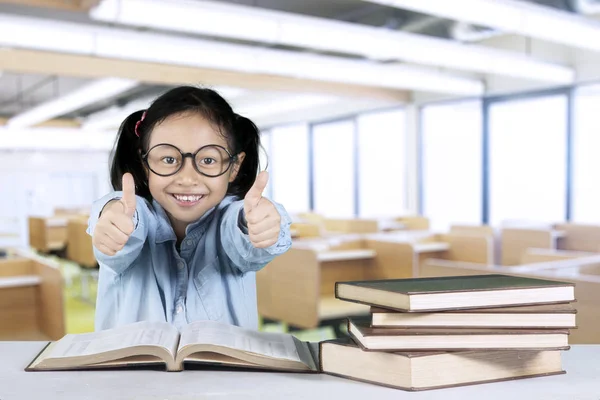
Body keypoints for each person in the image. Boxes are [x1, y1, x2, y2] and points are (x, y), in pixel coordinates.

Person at [86, 86, 292, 332]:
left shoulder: (233, 218)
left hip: (223, 370)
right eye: (169, 159)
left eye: (208, 160)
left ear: (235, 166)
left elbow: (246, 245)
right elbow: (123, 223)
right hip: (131, 370)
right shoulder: (131, 213)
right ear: (144, 164)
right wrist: (112, 223)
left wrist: (259, 226)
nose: (187, 178)